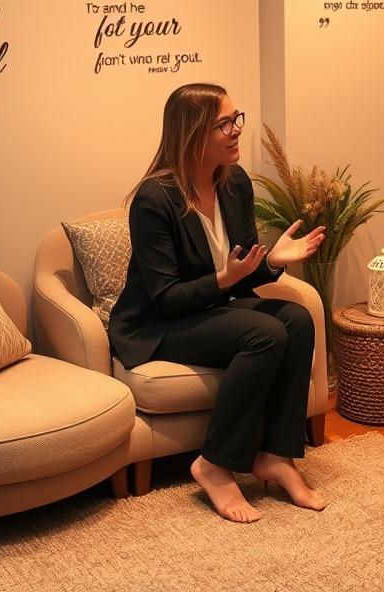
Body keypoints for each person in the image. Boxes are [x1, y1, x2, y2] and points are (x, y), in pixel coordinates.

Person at [107, 82, 327, 524]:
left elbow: (244, 270)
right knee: (266, 333)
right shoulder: (154, 199)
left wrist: (274, 261)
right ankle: (214, 464)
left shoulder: (234, 182)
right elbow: (166, 298)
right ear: (192, 133)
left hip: (211, 309)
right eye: (223, 124)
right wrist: (226, 279)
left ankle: (276, 455)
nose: (236, 130)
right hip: (158, 323)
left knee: (298, 319)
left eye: (235, 119)